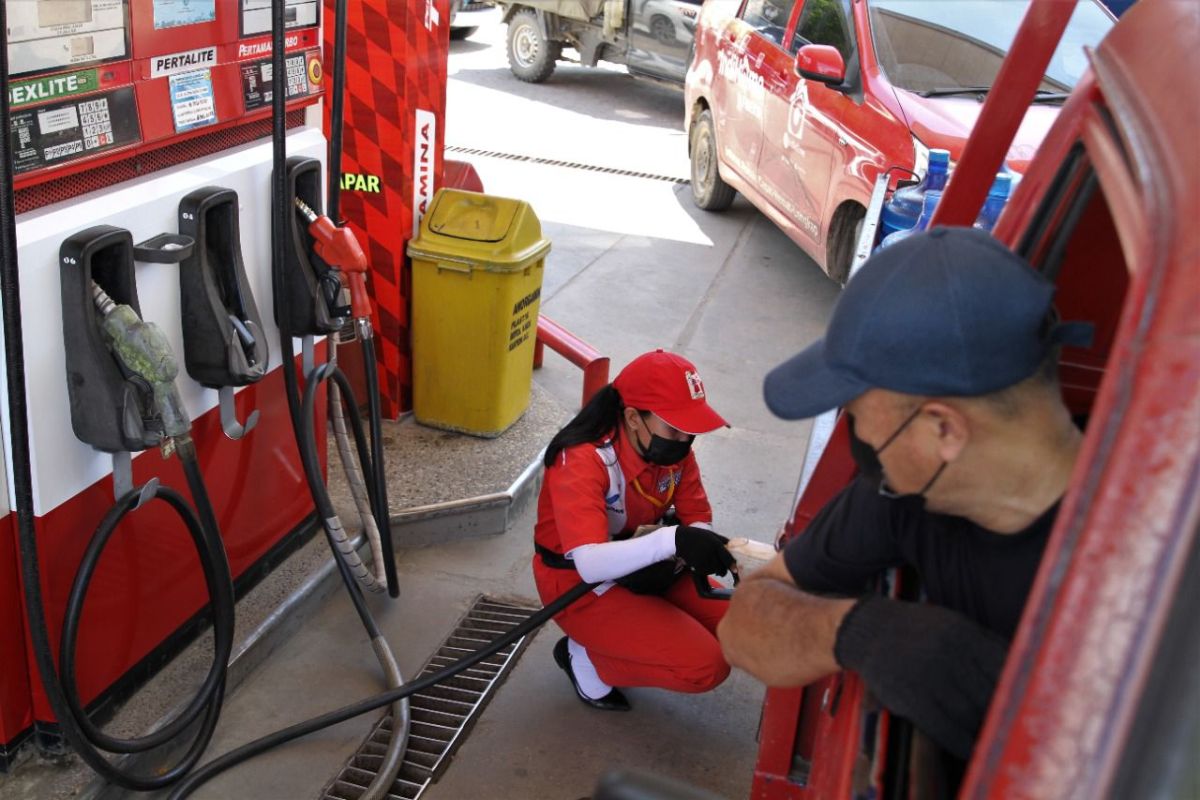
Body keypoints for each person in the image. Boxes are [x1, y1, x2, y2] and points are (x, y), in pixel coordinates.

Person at [717, 227, 1093, 761]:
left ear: (943, 430)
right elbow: (743, 621)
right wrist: (862, 632)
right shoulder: (903, 496)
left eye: (857, 416)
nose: (859, 440)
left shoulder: (1150, 576)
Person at [534, 349, 738, 711]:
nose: (683, 439)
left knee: (744, 629)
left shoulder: (672, 450)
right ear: (632, 417)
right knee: (706, 666)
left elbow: (695, 514)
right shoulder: (583, 459)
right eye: (673, 427)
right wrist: (673, 540)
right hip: (580, 585)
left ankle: (629, 636)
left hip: (651, 565)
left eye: (689, 430)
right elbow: (590, 564)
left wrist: (702, 544)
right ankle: (586, 659)